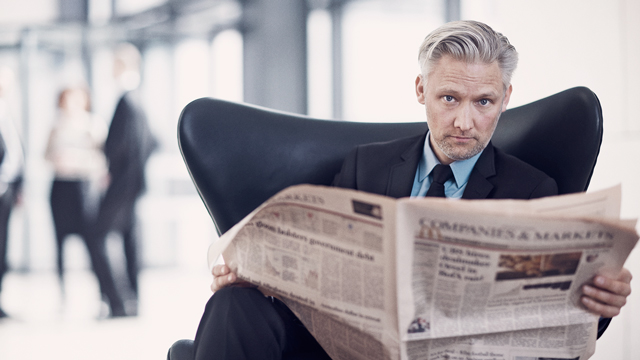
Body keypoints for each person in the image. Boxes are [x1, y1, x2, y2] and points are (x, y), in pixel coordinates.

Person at [197, 21, 632, 359]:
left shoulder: (534, 188)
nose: (465, 122)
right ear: (421, 90)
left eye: (483, 102)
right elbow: (312, 270)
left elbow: (553, 320)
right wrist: (256, 275)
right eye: (448, 99)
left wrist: (598, 302)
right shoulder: (365, 165)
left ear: (505, 98)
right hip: (345, 347)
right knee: (235, 304)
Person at [89, 43, 157, 317]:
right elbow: (154, 141)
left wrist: (101, 149)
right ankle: (132, 300)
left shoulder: (126, 101)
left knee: (97, 235)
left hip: (121, 184)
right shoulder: (139, 99)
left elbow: (118, 146)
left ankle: (118, 301)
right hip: (134, 183)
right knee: (129, 238)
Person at [45, 86, 108, 295]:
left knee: (92, 241)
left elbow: (103, 159)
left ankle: (102, 292)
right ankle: (62, 293)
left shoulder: (93, 124)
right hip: (60, 187)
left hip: (83, 188)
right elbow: (45, 154)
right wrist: (58, 159)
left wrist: (77, 160)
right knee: (60, 242)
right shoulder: (56, 125)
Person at [0, 66, 24, 319]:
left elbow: (16, 154)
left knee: (2, 248)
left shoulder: (6, 112)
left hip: (6, 192)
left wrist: (19, 188)